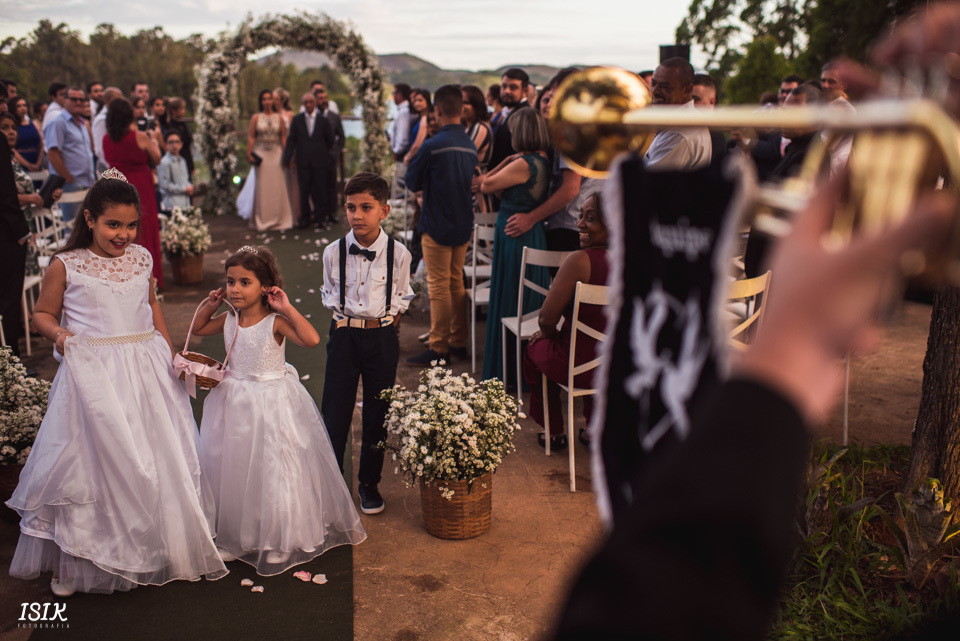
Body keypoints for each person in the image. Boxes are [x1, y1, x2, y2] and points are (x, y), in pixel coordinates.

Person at [5, 172, 228, 596]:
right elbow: (42, 314)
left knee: (156, 452)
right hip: (95, 371)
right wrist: (60, 336)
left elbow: (151, 308)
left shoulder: (142, 258)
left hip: (146, 365)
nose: (123, 235)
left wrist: (171, 355)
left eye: (130, 226)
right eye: (113, 225)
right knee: (91, 462)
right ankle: (77, 559)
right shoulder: (66, 264)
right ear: (89, 219)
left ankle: (157, 543)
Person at [189, 245, 366, 574]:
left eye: (245, 282)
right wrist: (211, 305)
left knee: (272, 467)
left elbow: (312, 339)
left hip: (272, 401)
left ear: (264, 286)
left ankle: (278, 538)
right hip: (234, 401)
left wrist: (287, 307)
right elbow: (198, 329)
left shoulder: (275, 322)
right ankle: (236, 536)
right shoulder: (228, 319)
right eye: (230, 282)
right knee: (236, 466)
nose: (235, 289)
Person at [320, 172, 413, 516]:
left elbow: (401, 296)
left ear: (384, 211)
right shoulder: (333, 253)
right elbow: (331, 291)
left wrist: (384, 328)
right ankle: (332, 484)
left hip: (381, 336)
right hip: (343, 334)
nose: (357, 215)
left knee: (378, 412)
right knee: (335, 411)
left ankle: (368, 483)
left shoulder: (399, 254)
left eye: (366, 207)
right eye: (351, 207)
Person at [523, 191, 608, 449]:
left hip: (578, 368)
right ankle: (594, 430)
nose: (579, 223)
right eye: (581, 216)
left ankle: (554, 431)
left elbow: (546, 318)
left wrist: (547, 334)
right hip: (620, 368)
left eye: (589, 218)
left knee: (535, 347)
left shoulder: (579, 261)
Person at [404, 85, 478, 365]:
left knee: (438, 286)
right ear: (461, 110)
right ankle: (458, 343)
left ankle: (439, 347)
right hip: (463, 223)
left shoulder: (433, 145)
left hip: (436, 222)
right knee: (456, 282)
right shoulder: (469, 144)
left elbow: (411, 181)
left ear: (436, 112)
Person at [480, 108, 552, 385]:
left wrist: (506, 160)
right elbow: (500, 189)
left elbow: (486, 185)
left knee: (511, 294)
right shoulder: (542, 160)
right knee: (524, 296)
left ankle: (510, 371)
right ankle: (522, 369)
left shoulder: (523, 163)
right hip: (529, 233)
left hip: (514, 234)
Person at [503, 68, 596, 254]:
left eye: (556, 96)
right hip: (583, 223)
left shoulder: (571, 132)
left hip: (570, 225)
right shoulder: (588, 126)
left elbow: (570, 188)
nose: (551, 103)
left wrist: (530, 218)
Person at [103, 97, 164, 286]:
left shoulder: (106, 139)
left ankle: (125, 272)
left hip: (117, 186)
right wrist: (153, 139)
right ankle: (149, 275)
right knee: (145, 225)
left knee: (121, 228)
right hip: (140, 186)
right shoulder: (139, 137)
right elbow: (157, 158)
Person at [0, 81, 32, 359]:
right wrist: (22, 232)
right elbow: (6, 195)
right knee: (8, 298)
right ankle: (12, 361)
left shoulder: (11, 152)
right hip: (7, 233)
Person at [644, 58, 711, 171]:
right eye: (654, 84)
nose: (655, 91)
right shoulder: (680, 123)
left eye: (665, 87)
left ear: (687, 90)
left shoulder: (678, 133)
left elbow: (651, 184)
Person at [282, 92, 334, 229]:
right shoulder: (297, 119)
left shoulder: (323, 120)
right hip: (303, 161)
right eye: (306, 103)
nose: (309, 105)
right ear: (303, 104)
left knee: (320, 190)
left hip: (320, 161)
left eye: (311, 102)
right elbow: (292, 140)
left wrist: (321, 153)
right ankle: (305, 219)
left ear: (315, 103)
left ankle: (320, 218)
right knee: (304, 191)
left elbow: (330, 140)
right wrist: (287, 158)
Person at [44, 86, 95, 222]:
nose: (78, 102)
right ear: (65, 100)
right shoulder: (58, 123)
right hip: (71, 184)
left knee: (87, 228)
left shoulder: (83, 124)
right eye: (73, 99)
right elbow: (52, 153)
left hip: (87, 183)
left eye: (81, 99)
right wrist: (68, 178)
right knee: (73, 230)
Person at [248, 89, 293, 232]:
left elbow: (283, 138)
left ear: (273, 101)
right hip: (261, 153)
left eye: (269, 99)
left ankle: (279, 219)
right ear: (261, 102)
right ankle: (262, 219)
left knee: (277, 187)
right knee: (262, 187)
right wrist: (249, 153)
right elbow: (251, 136)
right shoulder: (256, 117)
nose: (267, 101)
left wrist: (288, 156)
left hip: (277, 153)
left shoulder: (279, 118)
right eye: (264, 99)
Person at [489, 68, 532, 169]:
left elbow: (520, 157)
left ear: (525, 91)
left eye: (513, 87)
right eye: (504, 86)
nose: (506, 91)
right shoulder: (507, 112)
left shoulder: (526, 115)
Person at [462, 85, 494, 214]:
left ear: (476, 105)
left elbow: (462, 157)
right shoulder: (468, 127)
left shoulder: (480, 128)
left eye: (465, 102)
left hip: (477, 192)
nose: (461, 106)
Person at [316, 83, 345, 227]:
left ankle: (333, 214)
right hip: (316, 159)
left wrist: (337, 151)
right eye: (320, 98)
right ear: (316, 101)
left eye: (325, 98)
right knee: (318, 187)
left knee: (332, 186)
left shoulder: (334, 116)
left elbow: (342, 136)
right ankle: (320, 215)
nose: (324, 100)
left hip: (331, 157)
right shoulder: (312, 117)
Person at [158, 130, 193, 211]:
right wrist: (184, 189)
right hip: (172, 205)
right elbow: (165, 185)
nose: (174, 145)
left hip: (185, 202)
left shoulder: (182, 160)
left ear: (181, 144)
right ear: (166, 144)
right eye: (171, 142)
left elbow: (185, 179)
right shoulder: (165, 162)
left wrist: (189, 187)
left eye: (177, 142)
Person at [8, 96, 44, 172]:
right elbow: (12, 149)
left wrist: (38, 163)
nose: (23, 108)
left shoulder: (33, 124)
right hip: (20, 164)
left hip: (36, 161)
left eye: (24, 105)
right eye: (19, 106)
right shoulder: (12, 126)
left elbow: (41, 145)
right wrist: (28, 165)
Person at [165, 98, 194, 177]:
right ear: (174, 111)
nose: (184, 111)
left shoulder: (182, 124)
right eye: (182, 109)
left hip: (187, 159)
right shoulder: (171, 126)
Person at [402, 88, 432, 164]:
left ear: (427, 101)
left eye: (420, 100)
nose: (416, 103)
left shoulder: (425, 119)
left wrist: (407, 157)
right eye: (415, 101)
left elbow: (418, 144)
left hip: (419, 158)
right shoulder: (419, 118)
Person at [390, 82, 414, 161]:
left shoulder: (404, 112)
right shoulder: (406, 110)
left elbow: (403, 138)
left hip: (402, 156)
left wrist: (397, 151)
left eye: (393, 93)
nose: (393, 96)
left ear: (399, 94)